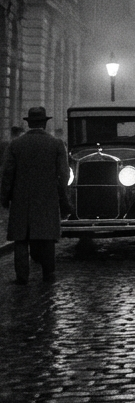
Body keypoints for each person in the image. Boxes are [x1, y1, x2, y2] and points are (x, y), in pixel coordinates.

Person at [1, 107, 72, 284]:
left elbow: (7, 174)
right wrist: (62, 196)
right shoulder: (56, 144)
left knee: (21, 238)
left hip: (20, 198)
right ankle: (48, 274)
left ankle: (22, 276)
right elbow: (63, 174)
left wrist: (5, 198)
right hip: (47, 197)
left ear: (29, 123)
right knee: (47, 237)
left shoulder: (16, 145)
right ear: (45, 123)